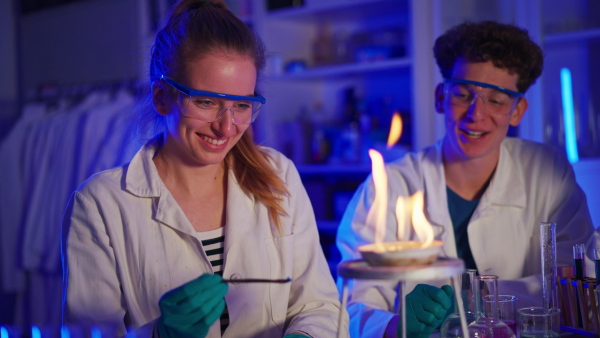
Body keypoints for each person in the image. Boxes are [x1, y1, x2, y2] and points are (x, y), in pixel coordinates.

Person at [61, 1, 348, 337]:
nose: (227, 128)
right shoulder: (100, 205)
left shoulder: (278, 175)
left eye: (242, 105)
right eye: (206, 102)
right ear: (162, 97)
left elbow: (318, 305)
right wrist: (158, 334)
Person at [336, 20, 598, 337]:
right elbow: (349, 304)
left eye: (497, 100)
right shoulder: (390, 185)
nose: (476, 113)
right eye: (462, 94)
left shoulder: (548, 173)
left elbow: (575, 283)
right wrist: (393, 325)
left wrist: (481, 299)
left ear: (517, 110)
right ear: (440, 98)